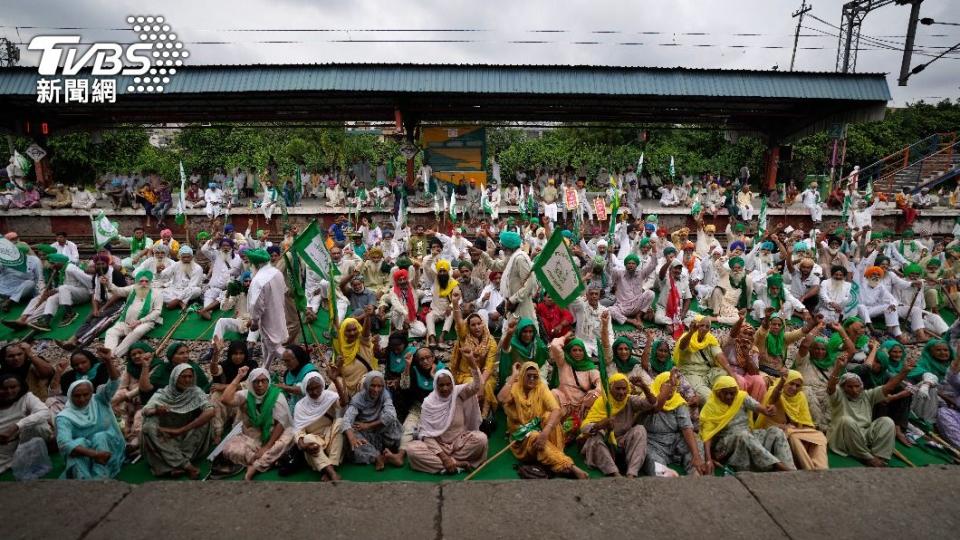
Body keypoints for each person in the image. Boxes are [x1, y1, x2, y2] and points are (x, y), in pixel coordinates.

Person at [498, 361, 589, 479]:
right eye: (528, 376)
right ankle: (569, 466)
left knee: (549, 416)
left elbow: (556, 410)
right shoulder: (515, 388)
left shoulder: (541, 387)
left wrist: (546, 431)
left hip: (540, 431)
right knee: (535, 435)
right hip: (521, 438)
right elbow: (501, 398)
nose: (532, 379)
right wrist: (514, 375)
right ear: (522, 376)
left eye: (535, 377)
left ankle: (554, 460)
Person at [826, 351, 915, 467]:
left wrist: (904, 372)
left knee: (887, 421)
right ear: (843, 387)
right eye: (850, 387)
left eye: (857, 386)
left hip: (863, 434)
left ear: (861, 386)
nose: (854, 390)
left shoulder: (867, 395)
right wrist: (838, 368)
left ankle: (879, 456)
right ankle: (867, 457)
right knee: (846, 421)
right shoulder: (839, 395)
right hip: (843, 436)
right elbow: (831, 386)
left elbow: (889, 386)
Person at [407, 360, 489, 474]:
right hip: (437, 446)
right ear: (435, 385)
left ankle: (448, 464)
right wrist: (444, 457)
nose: (445, 388)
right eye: (441, 385)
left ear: (452, 383)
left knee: (481, 439)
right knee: (412, 450)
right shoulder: (428, 404)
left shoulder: (458, 393)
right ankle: (457, 463)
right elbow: (426, 435)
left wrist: (472, 362)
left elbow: (476, 386)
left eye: (448, 384)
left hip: (459, 443)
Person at [55, 347, 125, 479]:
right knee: (79, 442)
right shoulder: (64, 417)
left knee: (100, 436)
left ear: (91, 392)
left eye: (86, 395)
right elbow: (64, 443)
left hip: (105, 445)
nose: (82, 399)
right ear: (70, 396)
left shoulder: (99, 400)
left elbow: (114, 382)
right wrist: (94, 454)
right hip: (82, 450)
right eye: (77, 396)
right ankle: (84, 481)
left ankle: (100, 477)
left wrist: (108, 361)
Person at [701, 376, 795, 472]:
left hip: (747, 436)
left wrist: (767, 410)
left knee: (776, 432)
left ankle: (791, 469)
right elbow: (707, 436)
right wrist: (708, 459)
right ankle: (777, 465)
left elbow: (757, 407)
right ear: (718, 393)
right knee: (743, 435)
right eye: (725, 393)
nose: (729, 396)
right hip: (724, 446)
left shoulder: (741, 397)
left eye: (732, 393)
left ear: (736, 392)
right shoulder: (711, 407)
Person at [219, 367, 295, 480]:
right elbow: (225, 399)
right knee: (228, 449)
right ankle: (266, 459)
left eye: (264, 381)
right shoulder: (246, 395)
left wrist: (266, 447)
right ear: (250, 382)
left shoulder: (277, 396)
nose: (260, 385)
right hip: (253, 435)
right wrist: (238, 376)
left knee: (288, 439)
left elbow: (281, 424)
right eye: (256, 381)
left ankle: (254, 467)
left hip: (274, 434)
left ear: (268, 382)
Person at [140, 364, 215, 479]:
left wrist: (180, 430)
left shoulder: (195, 392)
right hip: (165, 436)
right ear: (175, 378)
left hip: (185, 435)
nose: (187, 380)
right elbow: (145, 411)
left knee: (206, 419)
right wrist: (157, 410)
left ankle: (172, 465)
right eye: (183, 377)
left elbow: (210, 411)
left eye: (190, 377)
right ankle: (185, 465)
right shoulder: (163, 393)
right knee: (148, 426)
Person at [579, 372, 659, 477]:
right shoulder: (602, 402)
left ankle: (632, 473)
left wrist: (644, 387)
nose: (621, 392)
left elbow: (652, 403)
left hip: (622, 441)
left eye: (624, 389)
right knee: (595, 437)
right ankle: (614, 473)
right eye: (618, 389)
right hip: (605, 442)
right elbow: (584, 427)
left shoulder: (629, 400)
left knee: (640, 430)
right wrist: (601, 424)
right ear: (610, 388)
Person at [755, 369, 828, 470]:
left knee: (819, 437)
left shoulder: (800, 396)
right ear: (785, 382)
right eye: (791, 383)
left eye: (798, 386)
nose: (794, 388)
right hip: (775, 432)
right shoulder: (774, 391)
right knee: (794, 437)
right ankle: (810, 469)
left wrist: (803, 430)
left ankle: (822, 468)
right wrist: (781, 382)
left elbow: (806, 421)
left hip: (795, 430)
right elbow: (769, 413)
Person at [642, 370, 708, 476]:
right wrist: (665, 391)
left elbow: (686, 428)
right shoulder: (647, 399)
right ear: (659, 384)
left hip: (674, 441)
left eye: (674, 385)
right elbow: (656, 407)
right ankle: (664, 476)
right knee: (650, 457)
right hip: (653, 443)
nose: (671, 388)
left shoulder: (678, 401)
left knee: (696, 442)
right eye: (667, 384)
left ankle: (696, 472)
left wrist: (696, 456)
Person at [343, 371, 405, 470]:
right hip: (366, 435)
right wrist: (352, 438)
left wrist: (368, 425)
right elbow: (346, 420)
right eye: (373, 386)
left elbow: (391, 415)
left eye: (379, 386)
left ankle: (395, 452)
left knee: (393, 421)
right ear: (366, 385)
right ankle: (377, 457)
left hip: (378, 429)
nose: (376, 390)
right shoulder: (358, 399)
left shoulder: (384, 394)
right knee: (350, 433)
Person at [293, 371, 347, 481]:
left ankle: (330, 466)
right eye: (310, 389)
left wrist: (335, 380)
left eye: (317, 388)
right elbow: (298, 431)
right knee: (307, 439)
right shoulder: (300, 406)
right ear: (306, 390)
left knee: (340, 422)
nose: (315, 392)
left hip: (330, 436)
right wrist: (304, 446)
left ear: (322, 386)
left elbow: (343, 402)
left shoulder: (329, 396)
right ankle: (332, 472)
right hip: (314, 442)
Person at [450, 302, 498, 418]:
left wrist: (481, 383)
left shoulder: (491, 341)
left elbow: (489, 366)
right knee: (472, 384)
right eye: (473, 325)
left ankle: (484, 415)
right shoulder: (464, 339)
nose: (477, 327)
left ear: (483, 324)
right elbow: (459, 323)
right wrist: (456, 305)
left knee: (488, 385)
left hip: (484, 375)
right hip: (465, 374)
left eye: (479, 324)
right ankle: (471, 415)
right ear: (468, 327)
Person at [0, 373, 53, 474]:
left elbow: (44, 412)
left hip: (23, 441)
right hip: (4, 448)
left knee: (39, 425)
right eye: (3, 388)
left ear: (20, 387)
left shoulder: (26, 397)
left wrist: (16, 426)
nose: (9, 391)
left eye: (13, 387)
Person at [104, 271, 164, 358]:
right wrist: (108, 284)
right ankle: (109, 352)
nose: (143, 284)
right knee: (111, 332)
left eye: (146, 281)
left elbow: (157, 311)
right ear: (137, 282)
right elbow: (119, 291)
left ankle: (117, 354)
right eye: (141, 281)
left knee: (137, 331)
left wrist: (140, 321)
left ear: (150, 282)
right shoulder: (133, 288)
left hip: (145, 322)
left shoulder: (157, 294)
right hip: (126, 321)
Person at [674, 316, 735, 402]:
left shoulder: (710, 339)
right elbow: (682, 346)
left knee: (727, 383)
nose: (704, 328)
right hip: (692, 374)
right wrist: (691, 332)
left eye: (707, 326)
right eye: (701, 325)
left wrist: (732, 374)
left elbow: (719, 355)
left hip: (708, 372)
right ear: (697, 326)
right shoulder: (687, 337)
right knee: (709, 398)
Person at [246, 248, 288, 367]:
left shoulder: (258, 280)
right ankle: (266, 370)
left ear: (256, 265)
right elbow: (283, 291)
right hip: (278, 314)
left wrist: (254, 321)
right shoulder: (277, 272)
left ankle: (301, 365)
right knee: (266, 344)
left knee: (276, 349)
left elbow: (256, 304)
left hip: (267, 319)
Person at [333, 317, 379, 398]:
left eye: (354, 329)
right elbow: (334, 375)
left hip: (363, 385)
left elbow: (366, 333)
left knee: (366, 381)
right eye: (348, 331)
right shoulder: (340, 349)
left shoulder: (363, 342)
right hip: (347, 388)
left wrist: (368, 316)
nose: (352, 333)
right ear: (343, 332)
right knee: (333, 387)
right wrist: (338, 366)